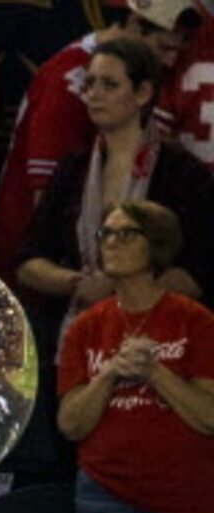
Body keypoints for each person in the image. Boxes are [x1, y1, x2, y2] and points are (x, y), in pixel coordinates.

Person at [56, 198, 214, 513]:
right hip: (105, 497)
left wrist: (154, 372)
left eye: (127, 234)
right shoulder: (85, 327)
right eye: (106, 233)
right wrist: (108, 375)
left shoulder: (195, 322)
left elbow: (209, 417)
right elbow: (70, 424)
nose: (112, 243)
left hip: (186, 498)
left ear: (157, 246)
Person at [18, 37, 214, 325]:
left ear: (143, 93)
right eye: (90, 84)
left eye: (109, 85)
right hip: (78, 334)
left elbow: (202, 270)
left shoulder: (183, 173)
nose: (94, 95)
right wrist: (76, 283)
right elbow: (28, 261)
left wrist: (126, 291)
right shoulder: (73, 169)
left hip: (162, 334)